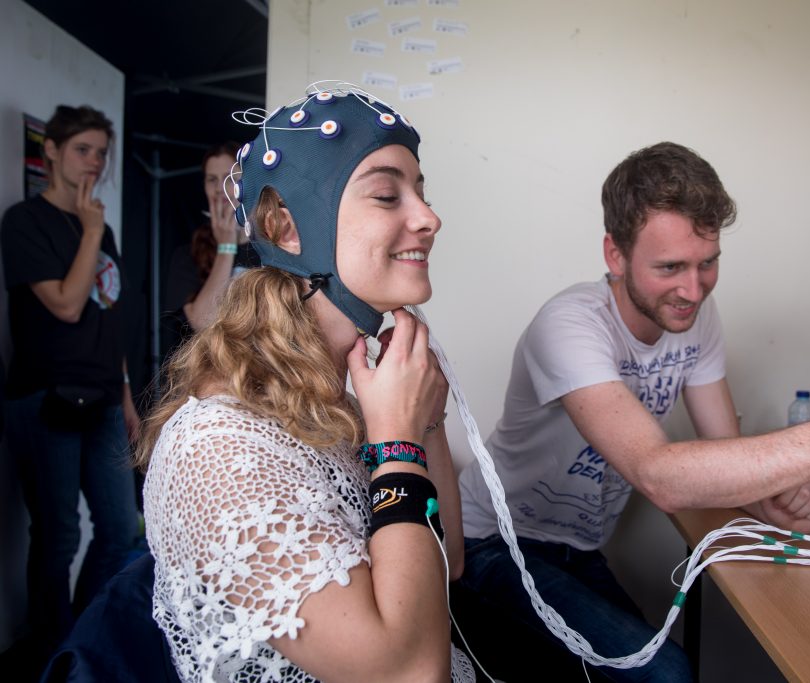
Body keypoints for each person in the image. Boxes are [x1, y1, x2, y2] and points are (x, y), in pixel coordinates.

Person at [455, 142, 810, 681]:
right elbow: (659, 475)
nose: (692, 291)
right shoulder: (570, 324)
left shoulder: (696, 313)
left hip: (579, 551)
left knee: (688, 662)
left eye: (708, 263)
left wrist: (769, 502)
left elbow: (722, 445)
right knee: (669, 674)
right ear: (614, 254)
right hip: (494, 545)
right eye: (670, 267)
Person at [137, 83, 474, 682]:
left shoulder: (329, 405)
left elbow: (446, 568)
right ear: (287, 228)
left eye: (420, 192)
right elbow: (409, 672)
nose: (430, 218)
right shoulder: (218, 450)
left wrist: (423, 422)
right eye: (386, 194)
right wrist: (395, 437)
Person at [1, 104, 140, 675]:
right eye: (83, 150)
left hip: (105, 397)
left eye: (102, 153)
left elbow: (109, 318)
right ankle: (50, 654)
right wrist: (87, 231)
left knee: (116, 528)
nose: (95, 162)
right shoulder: (24, 220)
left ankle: (79, 641)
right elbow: (65, 302)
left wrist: (128, 396)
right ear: (52, 151)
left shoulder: (100, 227)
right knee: (58, 535)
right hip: (46, 397)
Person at [163, 141, 260, 352]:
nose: (219, 189)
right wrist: (226, 247)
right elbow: (202, 322)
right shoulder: (187, 255)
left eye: (229, 178)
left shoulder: (271, 249)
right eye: (212, 180)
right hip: (211, 376)